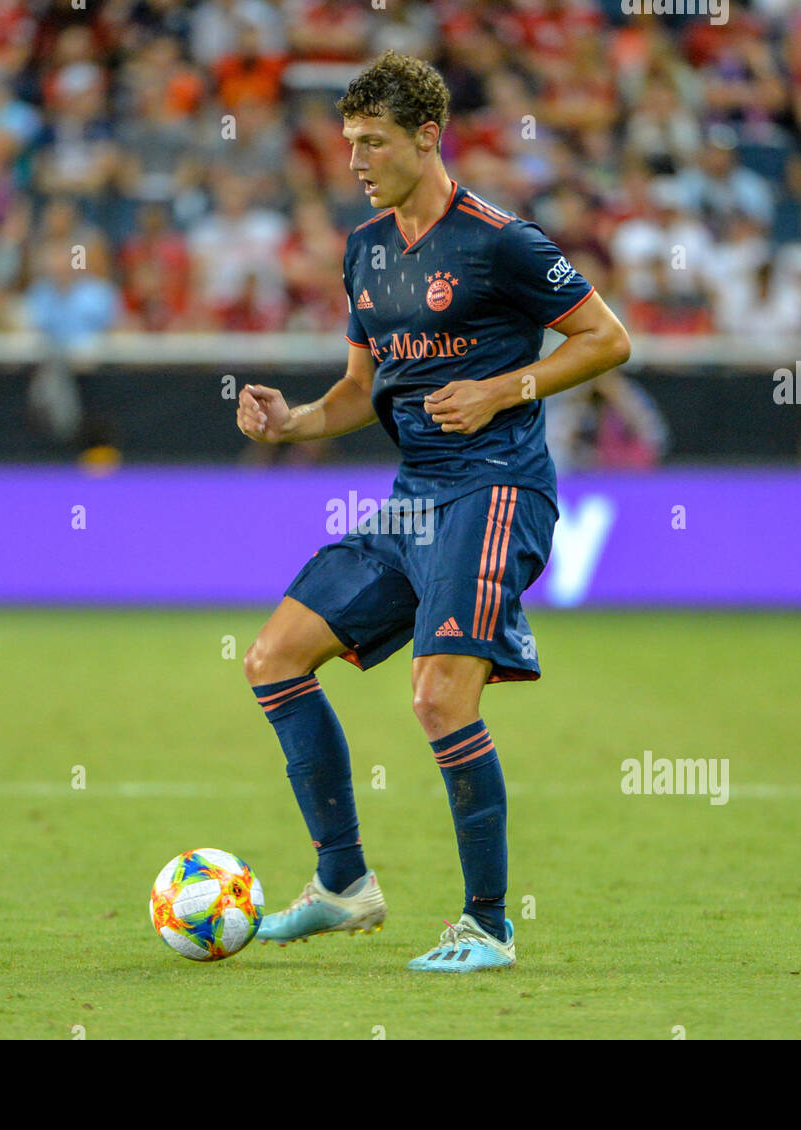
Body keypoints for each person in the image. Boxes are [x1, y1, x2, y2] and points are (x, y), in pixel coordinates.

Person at [236, 52, 631, 973]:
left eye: (373, 142)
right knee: (274, 658)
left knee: (437, 694)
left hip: (496, 488)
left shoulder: (503, 242)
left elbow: (608, 340)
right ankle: (343, 884)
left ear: (427, 136)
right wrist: (291, 423)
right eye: (349, 144)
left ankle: (488, 925)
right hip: (414, 499)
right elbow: (353, 391)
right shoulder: (365, 249)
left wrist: (504, 388)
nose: (357, 160)